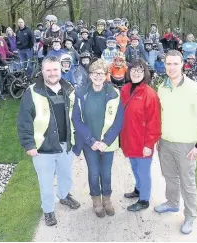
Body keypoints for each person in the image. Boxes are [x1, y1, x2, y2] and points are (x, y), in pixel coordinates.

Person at [17, 55, 81, 227]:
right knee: (45, 181)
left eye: (55, 69)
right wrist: (29, 144)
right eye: (49, 70)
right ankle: (48, 210)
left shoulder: (69, 89)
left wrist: (77, 141)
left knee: (66, 175)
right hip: (42, 147)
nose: (52, 73)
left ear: (61, 70)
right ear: (42, 71)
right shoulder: (33, 91)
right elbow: (24, 120)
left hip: (65, 144)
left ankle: (64, 196)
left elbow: (77, 117)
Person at [155, 50, 197, 235]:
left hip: (186, 146)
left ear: (182, 65)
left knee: (187, 182)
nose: (171, 68)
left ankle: (190, 216)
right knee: (170, 177)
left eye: (175, 64)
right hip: (165, 142)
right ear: (165, 65)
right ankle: (172, 203)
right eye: (168, 64)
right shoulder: (162, 87)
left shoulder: (194, 88)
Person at [72, 59, 124, 217]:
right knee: (94, 173)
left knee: (106, 173)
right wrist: (91, 141)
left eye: (101, 73)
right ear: (90, 75)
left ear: (106, 75)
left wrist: (106, 141)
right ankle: (96, 200)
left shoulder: (114, 94)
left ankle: (107, 199)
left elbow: (118, 120)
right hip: (90, 144)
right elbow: (76, 119)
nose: (98, 76)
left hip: (108, 143)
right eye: (94, 73)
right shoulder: (81, 94)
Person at [120, 59, 161, 212]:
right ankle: (138, 189)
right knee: (135, 167)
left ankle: (144, 199)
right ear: (129, 72)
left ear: (145, 73)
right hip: (129, 138)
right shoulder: (125, 89)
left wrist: (149, 145)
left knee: (143, 171)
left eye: (140, 70)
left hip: (143, 142)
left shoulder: (150, 94)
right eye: (133, 70)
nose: (136, 73)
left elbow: (154, 123)